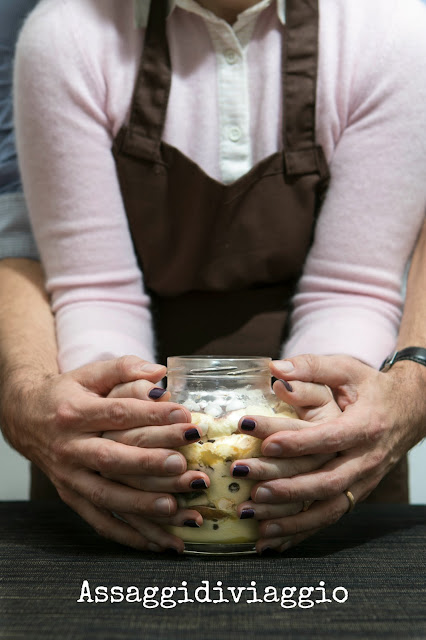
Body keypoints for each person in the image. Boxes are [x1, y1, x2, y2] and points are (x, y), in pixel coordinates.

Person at [1, 0, 425, 554]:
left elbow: (351, 289)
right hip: (120, 473)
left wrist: (308, 434)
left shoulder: (391, 33)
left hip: (329, 441)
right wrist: (128, 431)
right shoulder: (65, 36)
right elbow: (94, 290)